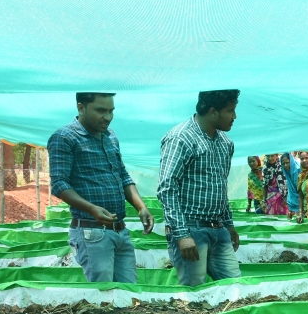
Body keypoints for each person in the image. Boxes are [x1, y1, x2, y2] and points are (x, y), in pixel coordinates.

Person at [46, 92, 154, 283]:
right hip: (91, 233)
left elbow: (123, 176)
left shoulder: (110, 136)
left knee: (129, 292)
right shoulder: (65, 137)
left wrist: (141, 207)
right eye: (101, 110)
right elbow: (59, 184)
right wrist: (91, 208)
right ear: (81, 108)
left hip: (120, 230)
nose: (108, 117)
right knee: (102, 298)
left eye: (111, 111)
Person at [158, 90, 242, 286]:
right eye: (231, 111)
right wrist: (182, 234)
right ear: (213, 112)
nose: (234, 117)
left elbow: (221, 186)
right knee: (194, 293)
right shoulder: (181, 138)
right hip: (191, 228)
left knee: (235, 287)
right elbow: (167, 187)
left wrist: (228, 224)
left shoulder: (225, 143)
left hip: (218, 228)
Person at [282, 152, 302, 223]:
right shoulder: (287, 173)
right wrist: (290, 209)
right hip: (294, 201)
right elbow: (291, 190)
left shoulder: (298, 170)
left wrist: (300, 211)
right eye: (283, 163)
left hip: (303, 201)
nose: (285, 165)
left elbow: (300, 191)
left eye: (287, 162)